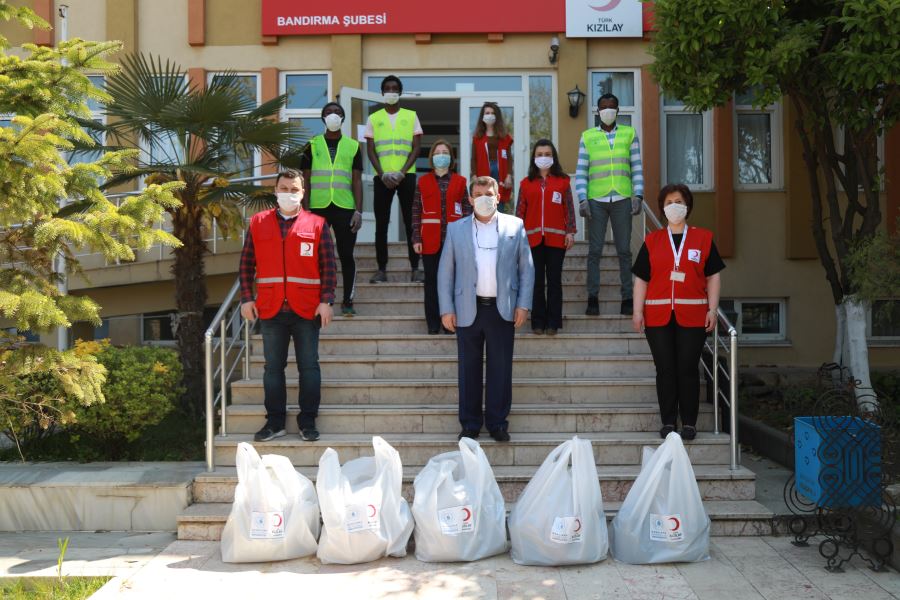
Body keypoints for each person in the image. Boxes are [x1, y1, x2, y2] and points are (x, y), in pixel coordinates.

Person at [239, 169, 337, 443]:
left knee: (309, 367)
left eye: (294, 189)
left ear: (303, 193)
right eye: (284, 188)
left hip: (306, 309)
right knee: (272, 369)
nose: (289, 193)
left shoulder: (317, 224)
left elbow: (328, 266)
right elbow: (247, 264)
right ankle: (275, 422)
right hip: (270, 308)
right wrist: (247, 298)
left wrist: (326, 300)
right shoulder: (258, 223)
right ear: (275, 191)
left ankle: (308, 422)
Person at [438, 176, 534, 442]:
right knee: (468, 369)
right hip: (468, 308)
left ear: (498, 196)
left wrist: (523, 304)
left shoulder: (515, 226)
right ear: (469, 199)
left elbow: (526, 269)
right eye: (477, 193)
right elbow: (446, 271)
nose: (483, 198)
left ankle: (497, 423)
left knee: (500, 369)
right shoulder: (456, 229)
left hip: (502, 309)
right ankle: (469, 424)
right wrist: (446, 308)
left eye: (488, 193)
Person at [631, 184, 724, 440]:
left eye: (679, 201)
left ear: (688, 205)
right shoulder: (652, 240)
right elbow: (641, 279)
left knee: (688, 369)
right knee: (665, 369)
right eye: (669, 201)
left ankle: (690, 423)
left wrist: (712, 309)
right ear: (662, 207)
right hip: (657, 316)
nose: (674, 205)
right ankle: (669, 422)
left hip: (693, 316)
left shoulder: (703, 238)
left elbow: (713, 276)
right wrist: (637, 311)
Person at [575, 92, 644, 317]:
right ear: (597, 111)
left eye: (612, 107)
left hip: (622, 198)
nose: (607, 110)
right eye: (604, 107)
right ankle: (592, 297)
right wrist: (582, 198)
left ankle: (627, 298)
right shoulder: (587, 137)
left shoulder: (629, 134)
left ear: (618, 110)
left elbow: (636, 167)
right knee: (594, 251)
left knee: (624, 251)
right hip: (596, 201)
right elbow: (581, 171)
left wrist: (639, 195)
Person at [300, 101, 362, 317]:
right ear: (323, 118)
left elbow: (356, 181)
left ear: (343, 118)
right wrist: (305, 211)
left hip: (345, 207)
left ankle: (348, 300)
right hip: (317, 208)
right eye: (329, 112)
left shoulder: (353, 146)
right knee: (316, 255)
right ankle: (317, 297)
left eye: (337, 112)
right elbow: (305, 180)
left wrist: (359, 211)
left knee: (346, 255)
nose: (333, 115)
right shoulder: (311, 145)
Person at [365, 75, 424, 284]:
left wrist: (401, 172)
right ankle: (381, 269)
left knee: (411, 222)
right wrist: (382, 174)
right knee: (381, 224)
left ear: (399, 92)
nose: (391, 91)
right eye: (387, 88)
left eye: (395, 88)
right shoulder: (373, 118)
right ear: (382, 93)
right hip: (382, 177)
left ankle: (415, 268)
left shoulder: (411, 115)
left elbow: (417, 147)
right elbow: (370, 149)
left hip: (406, 175)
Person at [516, 139, 576, 335]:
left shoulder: (563, 181)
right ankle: (538, 322)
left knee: (554, 281)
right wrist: (518, 236)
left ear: (553, 157)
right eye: (540, 154)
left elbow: (569, 208)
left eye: (547, 154)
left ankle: (553, 323)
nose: (543, 158)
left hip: (556, 239)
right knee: (536, 281)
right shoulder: (525, 184)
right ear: (534, 158)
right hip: (532, 240)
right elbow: (520, 212)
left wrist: (570, 231)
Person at [412, 140, 471, 334]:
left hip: (455, 241)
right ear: (432, 157)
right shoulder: (423, 181)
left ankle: (451, 323)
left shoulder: (461, 182)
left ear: (451, 157)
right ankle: (433, 323)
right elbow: (416, 211)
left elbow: (467, 210)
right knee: (431, 282)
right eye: (438, 152)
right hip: (429, 241)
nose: (441, 155)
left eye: (445, 152)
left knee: (454, 282)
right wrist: (416, 238)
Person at [471, 102, 514, 214]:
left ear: (497, 116)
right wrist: (474, 175)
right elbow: (473, 158)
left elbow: (509, 157)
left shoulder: (505, 137)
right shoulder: (477, 137)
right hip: (483, 170)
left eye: (493, 113)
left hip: (500, 171)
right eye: (487, 113)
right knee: (483, 201)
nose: (490, 115)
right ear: (483, 116)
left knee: (498, 202)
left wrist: (509, 175)